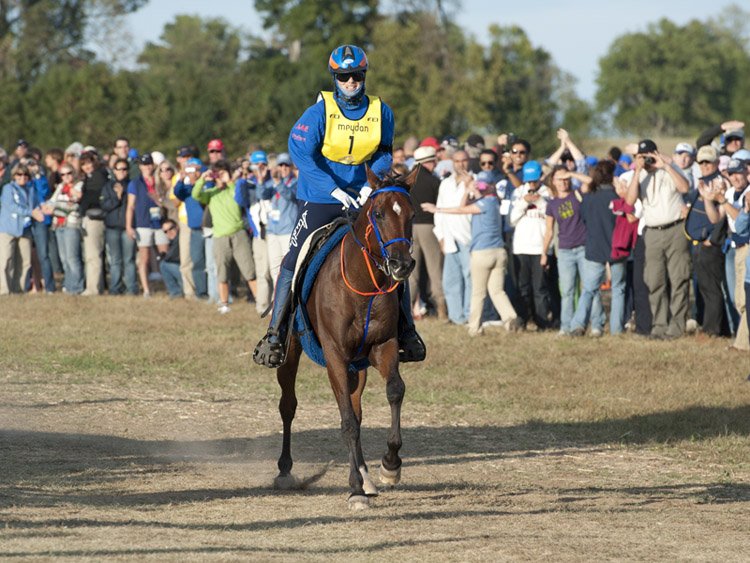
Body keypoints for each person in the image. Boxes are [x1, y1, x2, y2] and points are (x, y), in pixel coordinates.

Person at [254, 44, 424, 368]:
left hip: (362, 196)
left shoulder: (381, 111)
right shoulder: (319, 112)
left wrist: (367, 185)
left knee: (393, 251)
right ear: (335, 77)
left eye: (356, 75)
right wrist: (331, 189)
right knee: (296, 255)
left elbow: (384, 152)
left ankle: (407, 331)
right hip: (320, 197)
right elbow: (301, 154)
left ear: (364, 76)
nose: (350, 82)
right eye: (344, 76)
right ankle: (275, 333)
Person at [422, 171, 520, 335]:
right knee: (497, 291)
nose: (479, 188)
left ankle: (474, 327)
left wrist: (436, 209)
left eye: (482, 185)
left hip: (483, 253)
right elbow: (464, 204)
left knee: (478, 292)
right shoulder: (494, 201)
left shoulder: (485, 203)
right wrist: (468, 190)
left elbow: (460, 210)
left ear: (489, 187)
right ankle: (510, 319)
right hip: (499, 252)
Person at [624, 139, 690, 339]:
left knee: (679, 278)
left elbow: (685, 188)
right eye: (642, 156)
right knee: (654, 280)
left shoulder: (668, 170)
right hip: (651, 232)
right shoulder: (639, 176)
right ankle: (659, 325)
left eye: (649, 155)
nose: (646, 160)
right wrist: (637, 170)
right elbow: (629, 201)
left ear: (657, 153)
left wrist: (666, 165)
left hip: (675, 229)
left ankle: (677, 326)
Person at [191, 159, 258, 313]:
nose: (220, 176)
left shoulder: (234, 189)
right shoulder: (211, 194)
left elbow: (240, 198)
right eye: (218, 173)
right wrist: (203, 178)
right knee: (222, 271)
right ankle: (224, 303)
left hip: (238, 234)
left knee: (249, 270)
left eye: (222, 173)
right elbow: (195, 195)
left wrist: (230, 182)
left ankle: (259, 301)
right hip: (220, 237)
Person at [569, 161, 626, 336]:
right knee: (618, 289)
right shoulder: (618, 198)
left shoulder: (589, 198)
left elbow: (584, 219)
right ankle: (616, 329)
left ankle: (578, 325)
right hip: (617, 247)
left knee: (589, 290)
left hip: (594, 247)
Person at [541, 165, 595, 334]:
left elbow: (591, 181)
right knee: (567, 291)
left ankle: (594, 325)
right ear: (553, 182)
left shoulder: (577, 194)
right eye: (559, 179)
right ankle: (566, 327)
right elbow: (549, 230)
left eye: (566, 179)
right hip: (564, 251)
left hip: (583, 247)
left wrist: (571, 173)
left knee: (589, 287)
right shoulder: (551, 204)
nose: (563, 182)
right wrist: (544, 253)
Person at [684, 145, 730, 337]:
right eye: (701, 162)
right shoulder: (704, 181)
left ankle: (712, 330)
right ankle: (715, 326)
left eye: (708, 162)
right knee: (705, 286)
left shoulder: (719, 182)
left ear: (717, 162)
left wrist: (713, 239)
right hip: (698, 243)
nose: (704, 165)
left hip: (710, 244)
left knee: (711, 289)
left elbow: (723, 216)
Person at [434, 150, 473, 325]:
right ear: (452, 163)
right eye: (457, 161)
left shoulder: (475, 181)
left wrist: (470, 185)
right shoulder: (446, 184)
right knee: (451, 280)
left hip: (468, 236)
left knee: (470, 278)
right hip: (449, 238)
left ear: (468, 161)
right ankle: (456, 316)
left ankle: (470, 314)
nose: (461, 164)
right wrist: (440, 236)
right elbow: (439, 212)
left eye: (464, 160)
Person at [409, 146, 446, 319]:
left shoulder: (407, 180)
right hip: (429, 226)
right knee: (435, 269)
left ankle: (406, 310)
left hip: (410, 227)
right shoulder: (434, 181)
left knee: (412, 273)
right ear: (429, 162)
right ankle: (442, 310)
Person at [126, 153, 168, 298]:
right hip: (143, 223)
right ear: (140, 166)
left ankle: (168, 285)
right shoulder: (135, 183)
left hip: (159, 223)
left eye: (149, 164)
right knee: (144, 258)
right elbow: (130, 206)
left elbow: (165, 201)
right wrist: (129, 226)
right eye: (144, 164)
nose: (147, 167)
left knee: (165, 255)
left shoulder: (159, 181)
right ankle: (146, 289)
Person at [0, 164, 41, 294]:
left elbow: (36, 204)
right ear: (14, 176)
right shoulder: (8, 188)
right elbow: (12, 206)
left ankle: (20, 288)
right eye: (19, 174)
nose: (22, 177)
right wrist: (31, 212)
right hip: (8, 228)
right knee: (6, 259)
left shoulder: (31, 189)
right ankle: (5, 289)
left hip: (25, 229)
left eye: (25, 175)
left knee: (25, 260)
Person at [44, 164, 84, 294]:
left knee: (73, 258)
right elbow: (52, 202)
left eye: (69, 173)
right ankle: (69, 285)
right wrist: (54, 206)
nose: (66, 177)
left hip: (71, 224)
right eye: (63, 174)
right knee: (64, 258)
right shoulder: (61, 187)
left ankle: (76, 287)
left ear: (74, 173)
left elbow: (73, 206)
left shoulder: (78, 186)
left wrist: (55, 208)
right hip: (59, 225)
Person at [100, 157, 137, 295]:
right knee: (115, 260)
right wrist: (118, 196)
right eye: (119, 169)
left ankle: (131, 288)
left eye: (124, 169)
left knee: (129, 260)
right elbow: (105, 205)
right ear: (114, 171)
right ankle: (115, 288)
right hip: (112, 227)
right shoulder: (108, 186)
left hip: (127, 227)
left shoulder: (132, 185)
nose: (122, 171)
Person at [173, 157, 208, 298]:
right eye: (189, 169)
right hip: (195, 229)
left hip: (210, 229)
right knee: (198, 261)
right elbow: (177, 192)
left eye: (195, 169)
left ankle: (216, 291)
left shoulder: (207, 184)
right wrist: (181, 179)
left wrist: (200, 178)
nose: (192, 172)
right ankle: (201, 291)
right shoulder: (186, 190)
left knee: (212, 262)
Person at [262, 152, 298, 281]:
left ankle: (288, 299)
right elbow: (262, 195)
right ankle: (276, 300)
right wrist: (261, 180)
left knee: (288, 269)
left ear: (291, 167)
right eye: (281, 165)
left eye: (286, 165)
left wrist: (278, 182)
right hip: (273, 231)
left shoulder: (295, 182)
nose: (283, 168)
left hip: (287, 232)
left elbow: (289, 195)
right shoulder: (272, 182)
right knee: (274, 270)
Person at [78, 151, 109, 295]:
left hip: (94, 219)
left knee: (92, 254)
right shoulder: (92, 177)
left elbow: (92, 197)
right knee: (92, 254)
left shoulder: (97, 176)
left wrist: (80, 199)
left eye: (89, 163)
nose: (86, 167)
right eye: (83, 164)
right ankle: (96, 286)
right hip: (91, 218)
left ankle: (93, 288)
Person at [158, 219, 183, 298]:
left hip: (186, 271)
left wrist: (164, 256)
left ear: (177, 227)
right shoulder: (173, 241)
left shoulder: (180, 238)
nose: (169, 232)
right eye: (165, 231)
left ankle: (175, 292)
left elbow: (171, 257)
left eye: (171, 228)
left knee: (163, 265)